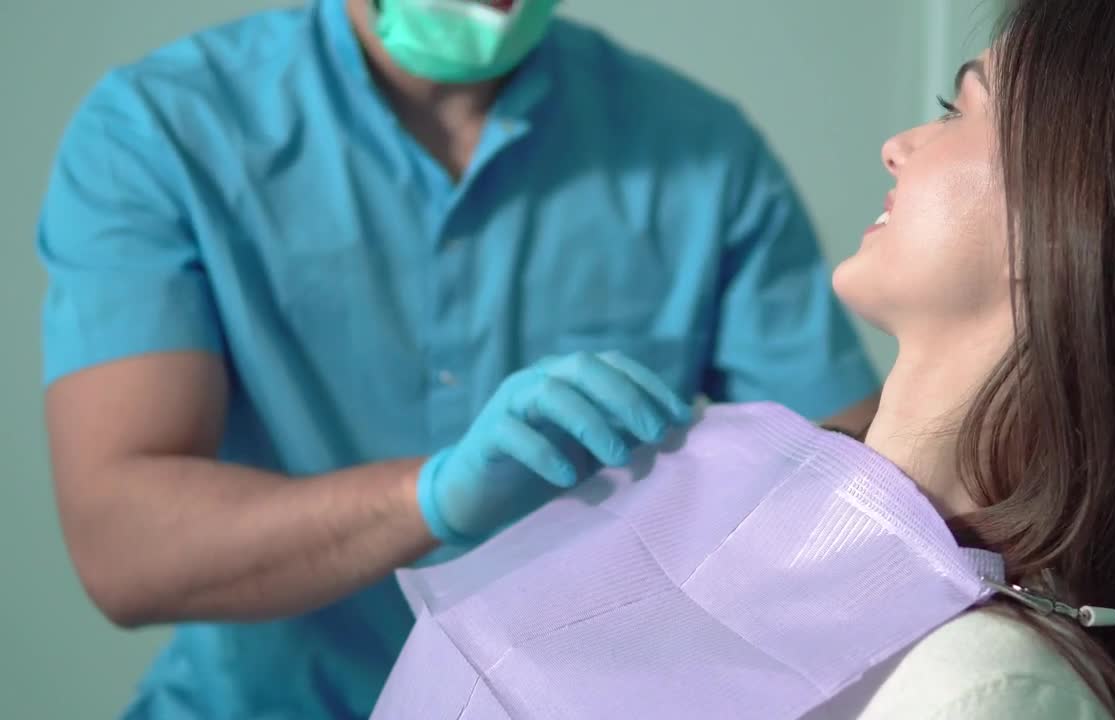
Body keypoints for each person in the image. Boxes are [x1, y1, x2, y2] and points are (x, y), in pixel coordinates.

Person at [381, 0, 1115, 717]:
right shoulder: (741, 488)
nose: (900, 146)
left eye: (960, 112)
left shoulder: (988, 689)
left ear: (1072, 226)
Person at [35, 0, 880, 717]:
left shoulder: (702, 151)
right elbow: (123, 550)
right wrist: (430, 499)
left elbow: (847, 485)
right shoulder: (159, 130)